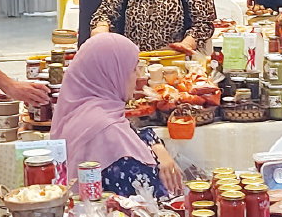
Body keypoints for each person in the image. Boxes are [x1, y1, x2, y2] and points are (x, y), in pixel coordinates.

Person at [54, 33, 186, 199]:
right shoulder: (107, 131)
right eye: (132, 68)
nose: (138, 76)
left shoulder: (81, 112)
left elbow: (137, 133)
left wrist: (158, 148)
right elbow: (150, 195)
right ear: (111, 73)